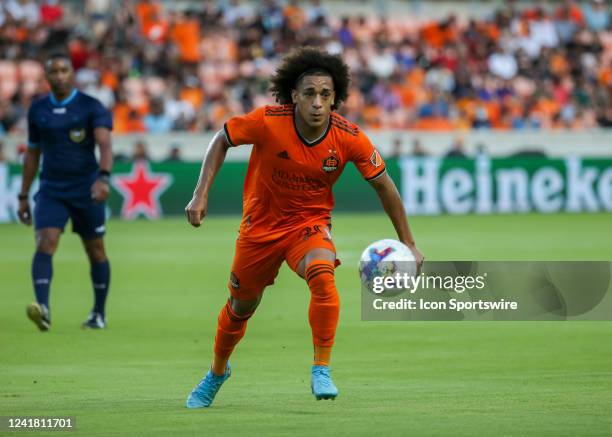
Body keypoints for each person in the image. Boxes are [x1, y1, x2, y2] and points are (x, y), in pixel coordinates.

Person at [184, 47, 423, 407]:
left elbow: (384, 185)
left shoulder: (349, 137)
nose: (317, 102)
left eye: (325, 95)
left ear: (335, 99)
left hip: (308, 226)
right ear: (294, 95)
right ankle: (217, 372)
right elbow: (221, 139)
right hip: (259, 229)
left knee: (322, 273)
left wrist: (409, 243)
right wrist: (201, 194)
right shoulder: (267, 121)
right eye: (309, 93)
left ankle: (321, 368)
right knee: (240, 307)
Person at [18, 52, 113, 331]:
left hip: (86, 187)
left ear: (71, 73)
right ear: (46, 77)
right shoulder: (38, 110)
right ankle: (43, 308)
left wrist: (103, 178)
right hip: (51, 188)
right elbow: (32, 153)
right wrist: (24, 195)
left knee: (95, 250)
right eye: (54, 72)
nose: (59, 76)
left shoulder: (91, 106)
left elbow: (105, 145)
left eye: (64, 70)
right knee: (45, 242)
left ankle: (98, 313)